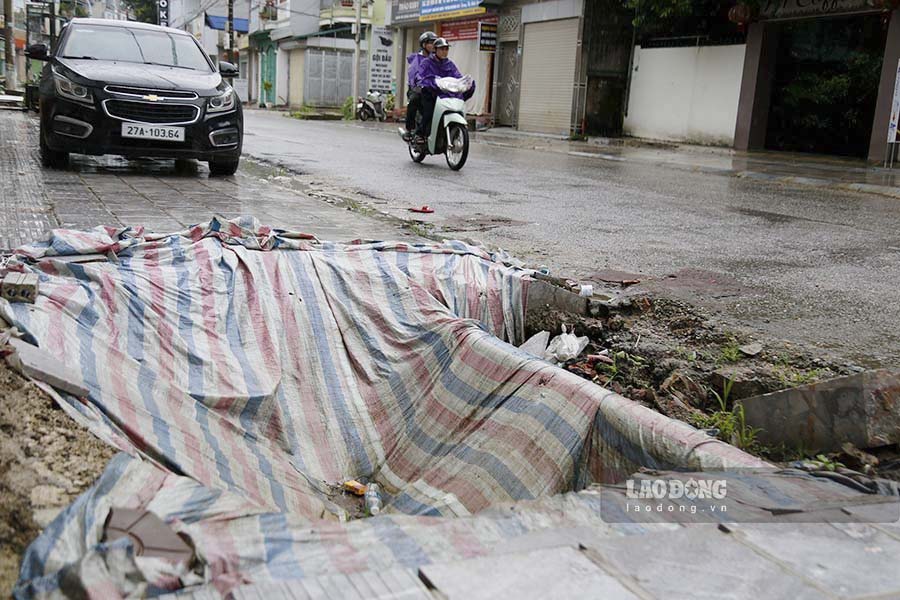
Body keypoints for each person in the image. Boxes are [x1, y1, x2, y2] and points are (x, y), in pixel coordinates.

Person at [415, 37, 475, 141]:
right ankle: (420, 134)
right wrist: (429, 82)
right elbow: (420, 76)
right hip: (431, 94)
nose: (444, 52)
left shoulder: (450, 64)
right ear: (435, 50)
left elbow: (457, 76)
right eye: (441, 49)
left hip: (446, 96)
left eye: (446, 49)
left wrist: (465, 84)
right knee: (429, 113)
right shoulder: (426, 63)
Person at [402, 31, 436, 142]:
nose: (433, 45)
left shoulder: (436, 59)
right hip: (417, 89)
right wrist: (418, 83)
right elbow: (413, 75)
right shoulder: (416, 59)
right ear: (423, 44)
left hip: (432, 89)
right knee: (414, 99)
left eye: (434, 43)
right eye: (430, 43)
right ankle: (409, 129)